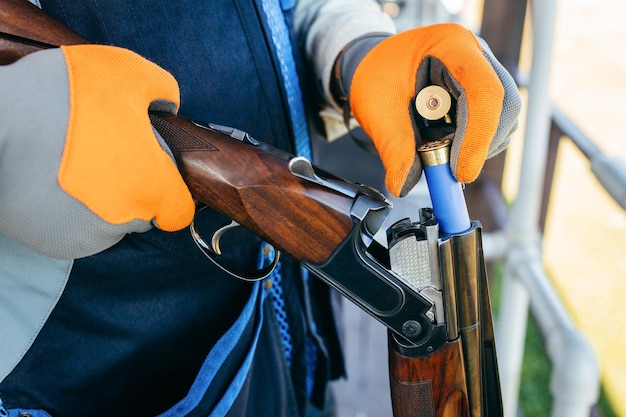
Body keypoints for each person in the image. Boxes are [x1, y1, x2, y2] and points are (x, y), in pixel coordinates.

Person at [0, 0, 521, 415]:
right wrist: (19, 125)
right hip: (82, 384)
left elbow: (291, 9)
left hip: (281, 338)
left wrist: (358, 51)